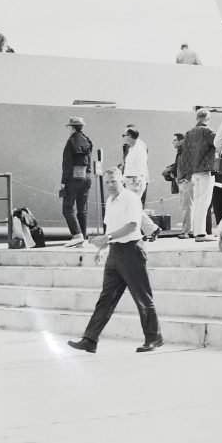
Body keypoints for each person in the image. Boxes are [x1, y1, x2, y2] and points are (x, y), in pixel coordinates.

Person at [67, 167, 163, 354]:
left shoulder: (131, 199)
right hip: (115, 253)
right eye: (107, 182)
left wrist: (107, 239)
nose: (110, 185)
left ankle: (154, 338)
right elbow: (111, 226)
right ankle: (90, 339)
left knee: (142, 297)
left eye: (113, 181)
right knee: (106, 298)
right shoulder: (110, 201)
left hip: (132, 251)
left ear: (122, 181)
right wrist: (103, 248)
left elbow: (132, 226)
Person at [176, 109, 217, 242]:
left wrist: (187, 173)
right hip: (205, 170)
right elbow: (219, 143)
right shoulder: (208, 131)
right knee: (203, 202)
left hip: (193, 173)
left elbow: (185, 155)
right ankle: (200, 233)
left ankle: (198, 232)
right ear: (208, 118)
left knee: (198, 201)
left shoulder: (188, 133)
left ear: (197, 118)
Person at [122, 127, 160, 240]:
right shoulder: (134, 147)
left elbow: (141, 166)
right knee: (133, 208)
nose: (123, 137)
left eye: (124, 135)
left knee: (132, 208)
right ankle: (151, 230)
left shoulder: (139, 149)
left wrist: (136, 180)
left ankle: (149, 230)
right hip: (131, 181)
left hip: (135, 182)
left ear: (129, 135)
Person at [60, 116, 93, 247]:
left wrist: (63, 181)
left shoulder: (71, 141)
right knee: (82, 209)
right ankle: (82, 238)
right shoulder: (87, 140)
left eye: (70, 127)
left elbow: (67, 163)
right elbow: (89, 162)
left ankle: (77, 235)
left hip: (73, 179)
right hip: (86, 178)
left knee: (67, 209)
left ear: (73, 128)